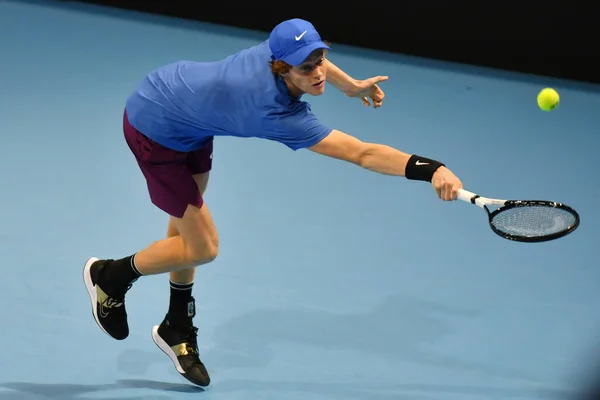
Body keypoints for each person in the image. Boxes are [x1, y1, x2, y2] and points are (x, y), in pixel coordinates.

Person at [83, 18, 463, 387]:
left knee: (186, 237)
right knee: (203, 247)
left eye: (320, 62)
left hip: (190, 119)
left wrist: (350, 86)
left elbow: (312, 60)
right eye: (305, 69)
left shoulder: (279, 44)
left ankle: (176, 326)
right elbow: (361, 154)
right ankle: (111, 275)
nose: (317, 74)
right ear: (282, 69)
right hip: (154, 127)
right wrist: (431, 169)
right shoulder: (275, 114)